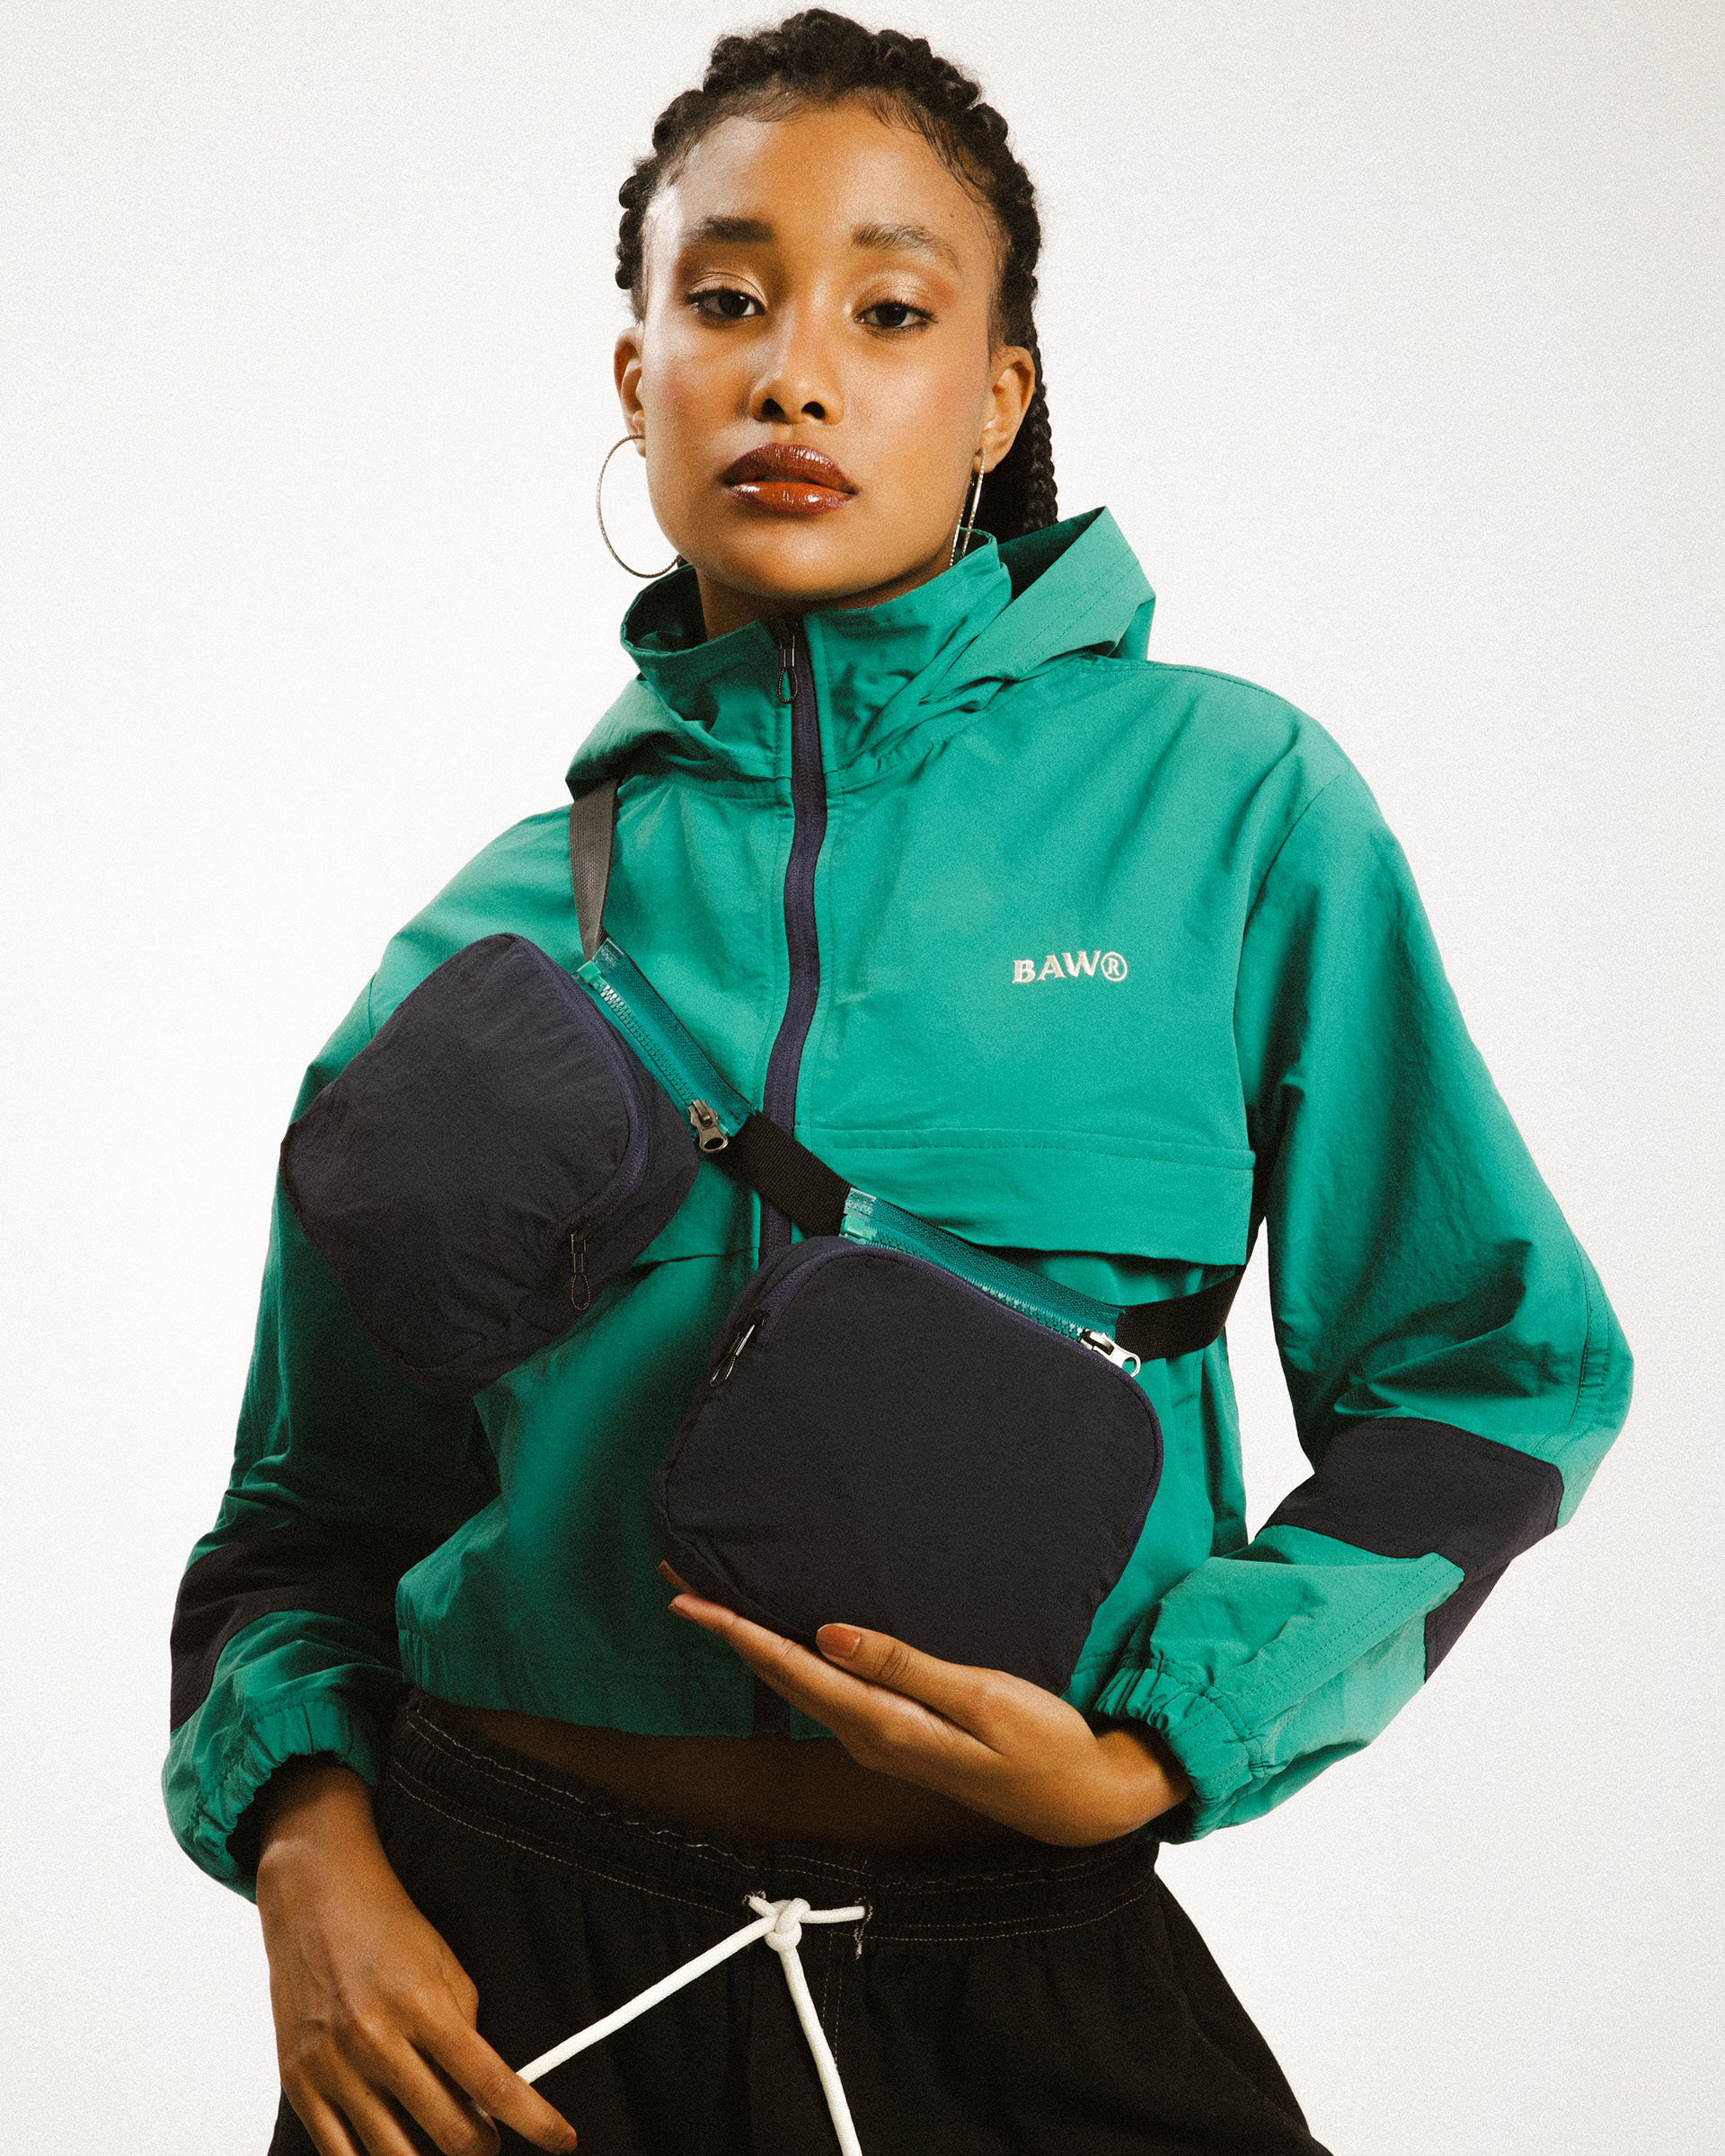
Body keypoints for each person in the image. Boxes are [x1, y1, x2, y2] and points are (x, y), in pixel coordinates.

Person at [164, 13, 1632, 2153]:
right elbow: (303, 1528)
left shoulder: (1233, 809)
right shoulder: (482, 941)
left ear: (998, 396)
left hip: (1012, 1970)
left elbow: (1492, 1370)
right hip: (497, 1993)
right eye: (726, 301)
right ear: (635, 378)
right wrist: (309, 1864)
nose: (795, 375)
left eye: (890, 310)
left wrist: (1161, 1751)